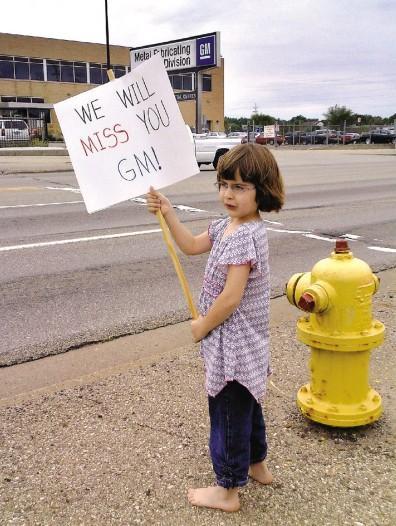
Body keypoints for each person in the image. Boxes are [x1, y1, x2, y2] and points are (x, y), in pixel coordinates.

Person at [146, 143, 285, 512]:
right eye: (224, 183)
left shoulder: (243, 235)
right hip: (246, 343)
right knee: (249, 406)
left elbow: (230, 298)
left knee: (227, 414)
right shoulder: (229, 224)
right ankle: (257, 465)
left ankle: (227, 490)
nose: (228, 193)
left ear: (263, 190)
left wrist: (201, 326)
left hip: (233, 344)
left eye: (240, 187)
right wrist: (168, 212)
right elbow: (191, 245)